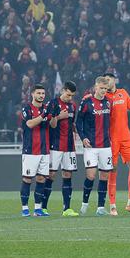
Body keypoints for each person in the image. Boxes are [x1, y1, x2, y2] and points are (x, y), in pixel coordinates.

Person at [103, 73, 130, 216]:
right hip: (112, 139)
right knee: (113, 169)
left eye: (108, 79)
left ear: (114, 80)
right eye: (104, 80)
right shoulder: (104, 98)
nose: (106, 82)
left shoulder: (123, 93)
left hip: (126, 137)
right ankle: (112, 206)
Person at [76, 78, 114, 216]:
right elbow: (78, 121)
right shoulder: (86, 102)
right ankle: (84, 205)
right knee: (91, 175)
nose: (104, 91)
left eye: (106, 88)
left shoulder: (109, 103)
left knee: (104, 176)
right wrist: (83, 137)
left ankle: (100, 207)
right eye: (101, 88)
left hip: (105, 145)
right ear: (95, 87)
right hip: (91, 146)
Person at [45, 81, 78, 217]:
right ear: (63, 90)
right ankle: (43, 207)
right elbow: (50, 124)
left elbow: (72, 123)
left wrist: (75, 132)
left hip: (69, 145)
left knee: (67, 174)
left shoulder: (73, 106)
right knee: (51, 175)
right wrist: (59, 117)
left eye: (72, 96)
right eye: (68, 94)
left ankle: (67, 209)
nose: (70, 98)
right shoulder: (53, 103)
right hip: (55, 144)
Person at [20, 84, 52, 217]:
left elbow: (53, 125)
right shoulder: (26, 108)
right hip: (30, 150)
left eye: (43, 93)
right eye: (38, 93)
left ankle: (38, 209)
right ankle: (25, 208)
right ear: (32, 94)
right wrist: (44, 114)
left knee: (41, 179)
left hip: (44, 150)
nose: (41, 96)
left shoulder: (46, 109)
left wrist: (54, 115)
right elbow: (29, 124)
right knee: (27, 179)